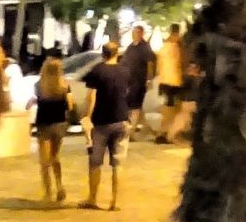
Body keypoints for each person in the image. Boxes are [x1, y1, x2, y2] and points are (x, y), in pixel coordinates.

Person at [79, 42, 130, 211]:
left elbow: (91, 97)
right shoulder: (125, 71)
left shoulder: (97, 71)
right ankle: (116, 201)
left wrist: (87, 116)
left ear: (103, 54)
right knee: (118, 164)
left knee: (95, 163)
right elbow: (126, 93)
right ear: (117, 54)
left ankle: (92, 198)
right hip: (121, 120)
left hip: (101, 122)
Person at [32, 57, 71, 206]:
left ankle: (48, 192)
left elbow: (40, 100)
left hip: (44, 123)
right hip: (60, 123)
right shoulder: (65, 85)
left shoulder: (38, 85)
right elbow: (71, 105)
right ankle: (60, 186)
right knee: (55, 157)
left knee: (44, 161)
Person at [154, 24, 189, 143]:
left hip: (164, 80)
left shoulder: (163, 46)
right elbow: (181, 63)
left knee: (168, 106)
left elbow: (158, 65)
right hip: (175, 80)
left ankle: (163, 131)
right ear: (177, 32)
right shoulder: (177, 46)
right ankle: (169, 133)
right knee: (175, 108)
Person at [119, 25, 155, 132]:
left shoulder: (145, 47)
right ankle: (148, 129)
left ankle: (131, 129)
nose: (134, 35)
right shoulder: (131, 47)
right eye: (133, 33)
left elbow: (150, 63)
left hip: (139, 81)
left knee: (135, 105)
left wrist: (149, 79)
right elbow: (124, 61)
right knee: (134, 105)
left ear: (141, 34)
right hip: (129, 80)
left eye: (137, 33)